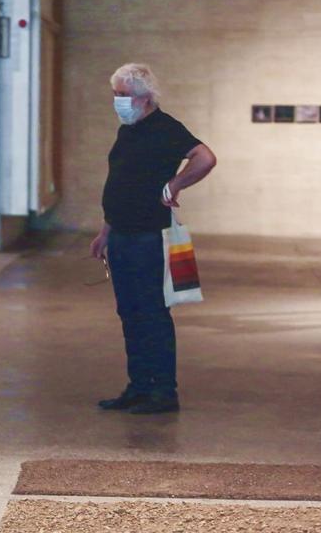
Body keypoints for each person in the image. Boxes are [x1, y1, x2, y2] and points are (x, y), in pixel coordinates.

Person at [89, 63, 217, 415]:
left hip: (149, 235)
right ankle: (138, 386)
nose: (117, 101)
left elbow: (205, 157)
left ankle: (163, 391)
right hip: (122, 235)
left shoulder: (165, 127)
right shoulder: (128, 130)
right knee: (129, 312)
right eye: (115, 95)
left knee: (152, 313)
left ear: (144, 97)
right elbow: (121, 183)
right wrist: (106, 231)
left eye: (122, 95)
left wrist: (175, 185)